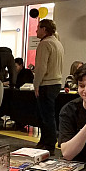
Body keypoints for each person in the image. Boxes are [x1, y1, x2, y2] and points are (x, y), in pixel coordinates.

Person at [33, 19, 64, 154]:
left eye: (38, 28)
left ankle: (49, 144)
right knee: (49, 114)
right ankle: (46, 141)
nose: (36, 31)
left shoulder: (45, 44)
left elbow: (41, 67)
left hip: (46, 83)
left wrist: (36, 84)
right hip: (56, 83)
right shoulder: (58, 43)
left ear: (44, 29)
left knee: (46, 116)